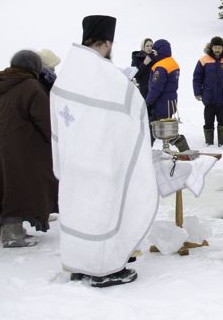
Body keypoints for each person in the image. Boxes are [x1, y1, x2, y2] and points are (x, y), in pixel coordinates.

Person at [50, 15, 157, 288]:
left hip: (74, 161)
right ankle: (104, 269)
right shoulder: (106, 75)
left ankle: (77, 263)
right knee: (101, 215)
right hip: (101, 162)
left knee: (78, 213)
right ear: (107, 43)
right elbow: (134, 111)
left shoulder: (68, 74)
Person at [0, 49, 59, 248]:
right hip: (20, 145)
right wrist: (55, 141)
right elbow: (45, 121)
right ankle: (12, 233)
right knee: (20, 185)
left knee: (0, 182)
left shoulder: (0, 83)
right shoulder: (31, 86)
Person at [193, 36, 223, 147]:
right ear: (211, 47)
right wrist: (197, 92)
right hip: (208, 96)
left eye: (219, 47)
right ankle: (209, 142)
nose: (217, 49)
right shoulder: (203, 60)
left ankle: (222, 142)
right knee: (208, 120)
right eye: (215, 47)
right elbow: (197, 77)